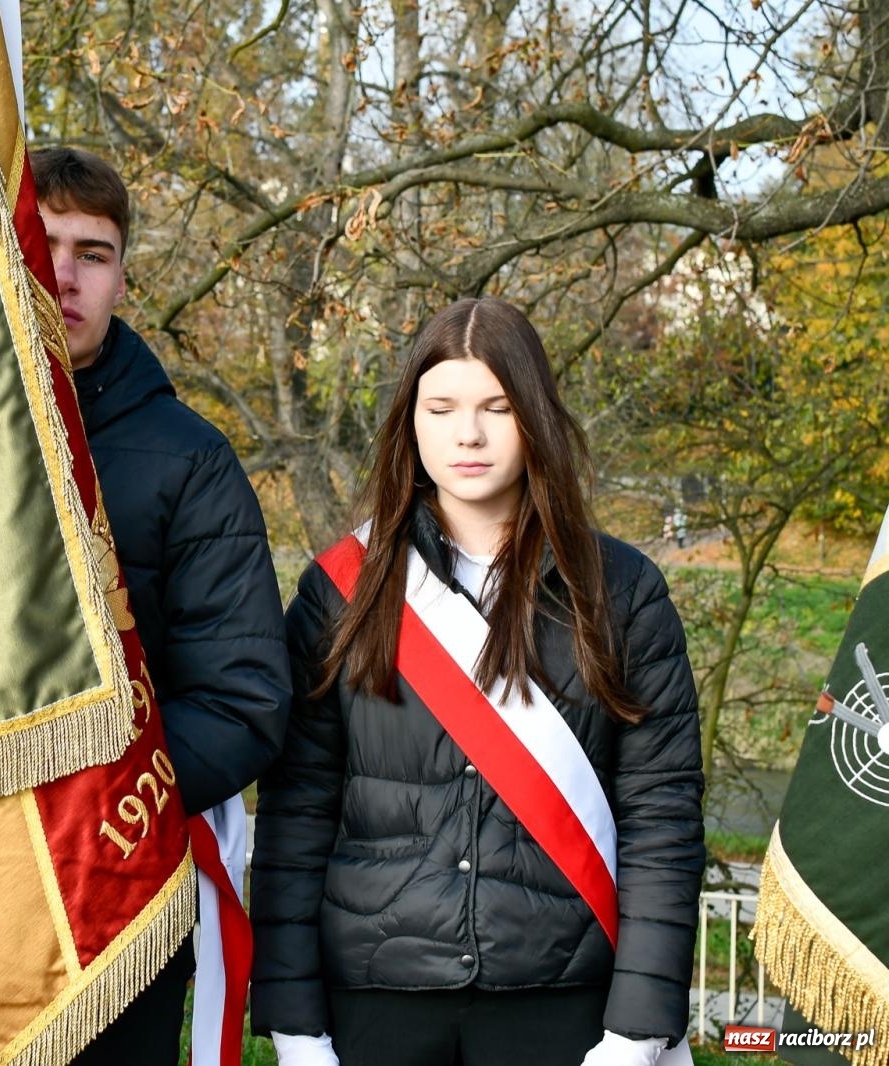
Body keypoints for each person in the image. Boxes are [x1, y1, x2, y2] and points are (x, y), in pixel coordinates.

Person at [250, 298, 705, 1066]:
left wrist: (637, 1031)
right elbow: (296, 815)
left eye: (497, 406)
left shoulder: (622, 591)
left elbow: (663, 822)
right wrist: (295, 1025)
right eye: (444, 407)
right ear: (411, 423)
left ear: (537, 419)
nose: (469, 433)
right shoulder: (341, 590)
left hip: (565, 1009)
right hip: (376, 1004)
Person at [28, 146, 292, 1064]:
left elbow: (242, 699)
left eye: (92, 253)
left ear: (122, 276)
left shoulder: (192, 462)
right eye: (43, 239)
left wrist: (86, 812)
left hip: (117, 899)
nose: (63, 273)